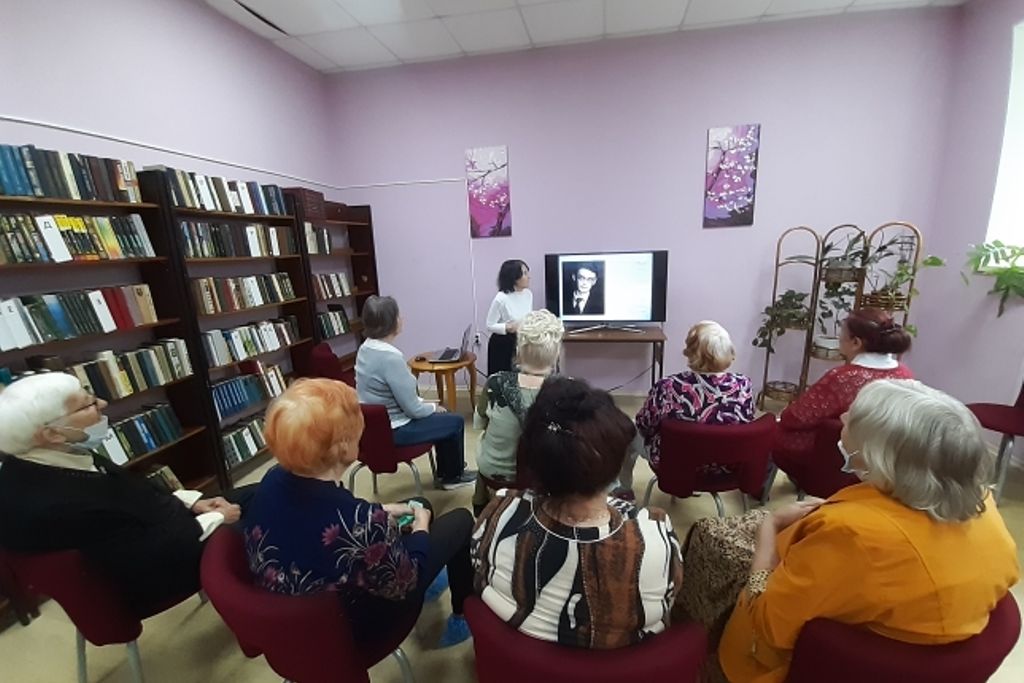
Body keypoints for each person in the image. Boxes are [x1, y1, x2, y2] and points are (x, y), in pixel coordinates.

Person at [718, 379, 1019, 683]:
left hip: (810, 666)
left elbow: (768, 623)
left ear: (880, 455)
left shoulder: (851, 535)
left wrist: (769, 529)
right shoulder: (982, 502)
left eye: (854, 419)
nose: (843, 418)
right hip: (925, 646)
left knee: (714, 543)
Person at [243, 378, 474, 647]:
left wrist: (381, 510)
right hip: (350, 628)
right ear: (342, 446)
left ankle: (433, 576)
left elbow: (319, 519)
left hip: (288, 611)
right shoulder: (363, 523)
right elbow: (405, 582)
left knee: (418, 503)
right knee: (457, 520)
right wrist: (421, 526)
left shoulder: (271, 479)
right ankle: (462, 617)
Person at [0, 373, 246, 617]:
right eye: (88, 405)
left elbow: (133, 490)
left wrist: (192, 503)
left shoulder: (51, 455)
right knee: (260, 509)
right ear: (52, 433)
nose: (103, 403)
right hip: (153, 574)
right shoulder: (56, 504)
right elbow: (150, 552)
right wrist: (217, 518)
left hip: (158, 532)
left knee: (256, 493)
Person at [472, 376, 684, 649]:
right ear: (613, 466)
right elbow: (670, 599)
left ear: (533, 460)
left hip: (519, 662)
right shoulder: (654, 536)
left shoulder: (500, 514)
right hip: (619, 665)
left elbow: (479, 572)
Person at [617, 320, 755, 497]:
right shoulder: (743, 384)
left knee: (627, 430)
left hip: (676, 465)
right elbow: (747, 421)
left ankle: (624, 489)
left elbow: (644, 424)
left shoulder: (669, 386)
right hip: (726, 466)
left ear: (691, 352)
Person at [355, 295, 476, 490]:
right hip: (396, 430)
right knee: (455, 421)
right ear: (391, 322)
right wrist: (433, 407)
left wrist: (428, 406)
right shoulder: (390, 358)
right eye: (398, 315)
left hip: (374, 429)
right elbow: (413, 410)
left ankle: (448, 473)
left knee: (443, 417)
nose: (401, 318)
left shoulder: (365, 348)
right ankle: (452, 477)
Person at [774, 308, 913, 473]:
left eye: (842, 333)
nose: (839, 338)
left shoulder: (842, 378)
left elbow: (797, 417)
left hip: (833, 458)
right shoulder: (904, 374)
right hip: (879, 459)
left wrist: (783, 415)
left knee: (770, 433)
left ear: (856, 343)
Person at [473, 309, 563, 513]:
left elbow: (480, 423)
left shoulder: (495, 382)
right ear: (557, 353)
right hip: (543, 477)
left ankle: (480, 505)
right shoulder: (566, 392)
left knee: (483, 442)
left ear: (518, 351)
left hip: (495, 475)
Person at [485, 259, 533, 374]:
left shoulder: (528, 294)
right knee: (503, 378)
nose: (529, 277)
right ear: (514, 277)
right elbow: (489, 325)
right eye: (525, 273)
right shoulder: (501, 298)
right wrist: (507, 327)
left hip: (522, 340)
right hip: (503, 343)